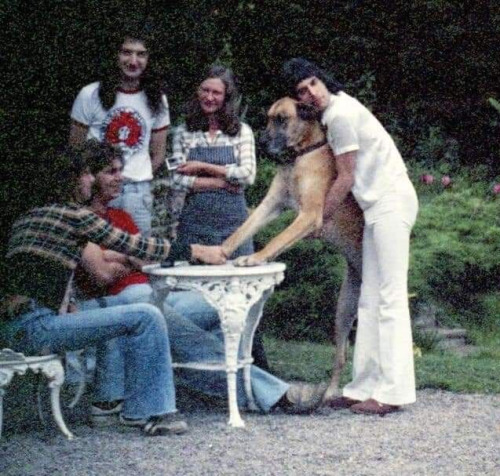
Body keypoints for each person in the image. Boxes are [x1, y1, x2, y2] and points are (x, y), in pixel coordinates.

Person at [75, 152, 325, 420]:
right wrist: (129, 257)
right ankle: (271, 392)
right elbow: (101, 274)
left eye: (119, 170)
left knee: (225, 306)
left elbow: (144, 257)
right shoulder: (79, 218)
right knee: (157, 314)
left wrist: (117, 255)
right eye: (110, 172)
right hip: (116, 301)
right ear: (90, 178)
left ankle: (232, 388)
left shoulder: (121, 216)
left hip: (154, 292)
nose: (120, 178)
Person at [1, 141, 225, 436]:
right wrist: (195, 250)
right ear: (70, 180)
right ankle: (151, 412)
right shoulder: (74, 216)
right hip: (37, 326)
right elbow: (137, 245)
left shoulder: (29, 218)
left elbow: (47, 269)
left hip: (12, 326)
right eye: (85, 175)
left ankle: (121, 404)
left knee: (127, 310)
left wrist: (65, 300)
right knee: (146, 315)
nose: (90, 180)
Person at [282, 58, 419, 415]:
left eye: (313, 83)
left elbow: (346, 178)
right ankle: (361, 388)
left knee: (389, 298)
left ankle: (393, 392)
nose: (311, 92)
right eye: (301, 91)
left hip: (391, 202)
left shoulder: (340, 114)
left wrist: (317, 220)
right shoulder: (333, 114)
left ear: (323, 81)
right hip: (376, 208)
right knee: (370, 299)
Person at [166, 64, 269, 369]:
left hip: (234, 225)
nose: (210, 97)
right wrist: (224, 181)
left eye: (217, 93)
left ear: (227, 97)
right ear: (197, 92)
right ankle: (196, 368)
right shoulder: (184, 131)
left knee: (244, 294)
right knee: (191, 294)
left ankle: (253, 368)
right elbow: (177, 179)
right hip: (194, 224)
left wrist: (203, 167)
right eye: (205, 90)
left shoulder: (241, 131)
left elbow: (248, 175)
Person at [69, 30, 169, 236]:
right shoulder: (90, 94)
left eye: (141, 54)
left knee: (140, 257)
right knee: (94, 256)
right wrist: (89, 185)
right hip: (97, 193)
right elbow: (76, 148)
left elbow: (158, 154)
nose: (133, 61)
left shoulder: (158, 99)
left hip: (137, 192)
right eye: (126, 52)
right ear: (115, 55)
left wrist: (134, 174)